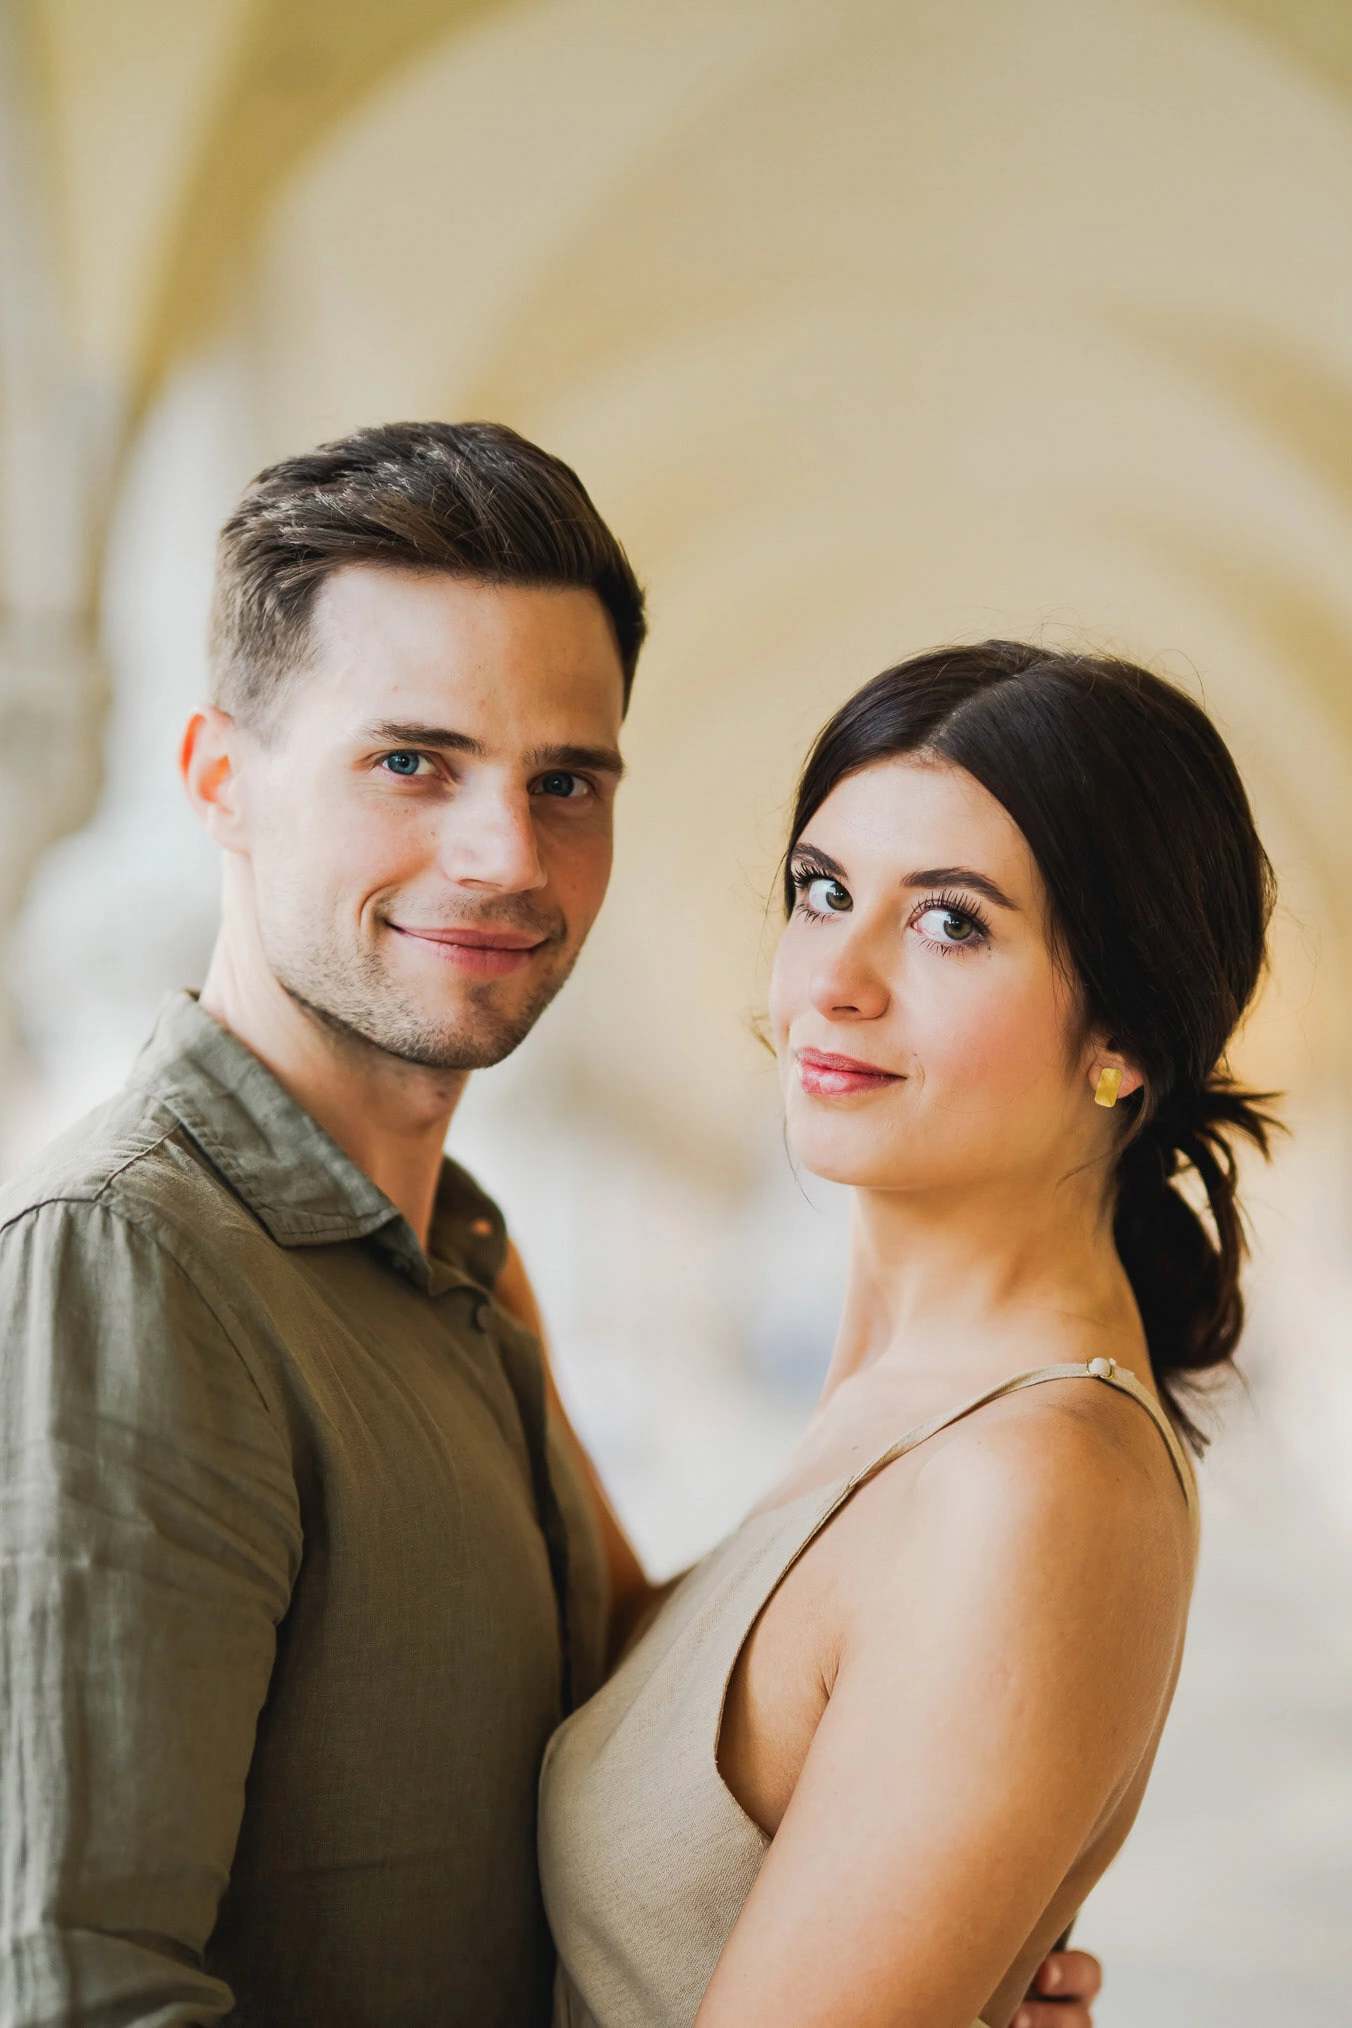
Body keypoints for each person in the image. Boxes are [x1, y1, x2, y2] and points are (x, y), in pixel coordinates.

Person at [0, 423, 1100, 2028]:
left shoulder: (459, 1265)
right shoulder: (133, 1264)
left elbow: (636, 1744)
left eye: (564, 782)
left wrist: (919, 1916)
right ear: (219, 784)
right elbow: (80, 1990)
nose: (506, 856)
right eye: (412, 762)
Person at [540, 640, 1277, 2028]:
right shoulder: (915, 1393)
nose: (838, 979)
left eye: (951, 923)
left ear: (1121, 1031)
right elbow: (699, 1723)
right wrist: (500, 1337)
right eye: (822, 893)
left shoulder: (1025, 1488)